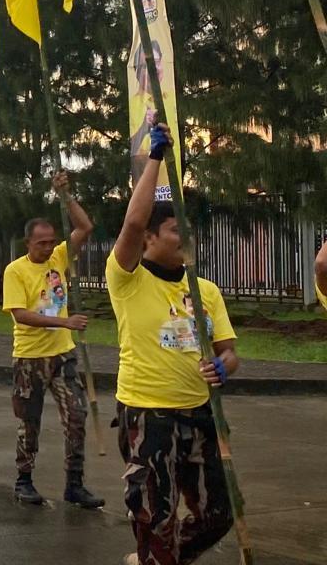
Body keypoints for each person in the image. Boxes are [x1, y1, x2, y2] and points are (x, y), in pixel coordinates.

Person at [110, 125, 237, 565]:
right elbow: (131, 220)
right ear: (149, 238)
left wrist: (224, 367)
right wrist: (156, 161)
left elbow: (229, 351)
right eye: (174, 228)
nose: (185, 235)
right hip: (149, 416)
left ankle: (157, 559)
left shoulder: (206, 290)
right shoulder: (127, 279)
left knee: (220, 513)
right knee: (154, 515)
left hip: (200, 416)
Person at [1, 171, 103, 509]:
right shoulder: (15, 271)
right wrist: (65, 321)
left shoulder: (60, 258)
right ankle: (24, 480)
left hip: (62, 356)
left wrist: (66, 196)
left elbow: (85, 228)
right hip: (30, 358)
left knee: (76, 415)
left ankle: (74, 483)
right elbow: (20, 314)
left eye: (50, 241)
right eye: (40, 243)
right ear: (28, 243)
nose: (47, 247)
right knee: (29, 423)